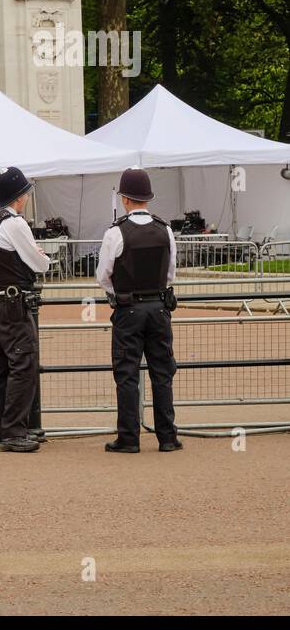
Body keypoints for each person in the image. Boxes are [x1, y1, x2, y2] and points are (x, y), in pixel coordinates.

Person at [96, 168, 183, 454]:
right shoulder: (165, 229)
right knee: (162, 372)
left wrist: (118, 294)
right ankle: (167, 437)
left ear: (125, 199)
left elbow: (103, 276)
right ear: (147, 198)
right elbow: (171, 274)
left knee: (127, 374)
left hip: (128, 309)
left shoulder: (115, 232)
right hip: (159, 307)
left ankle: (129, 438)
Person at [0, 167, 50, 452]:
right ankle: (14, 430)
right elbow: (38, 263)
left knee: (1, 365)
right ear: (20, 196)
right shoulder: (15, 224)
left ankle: (5, 427)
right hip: (14, 303)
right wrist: (41, 257)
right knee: (24, 363)